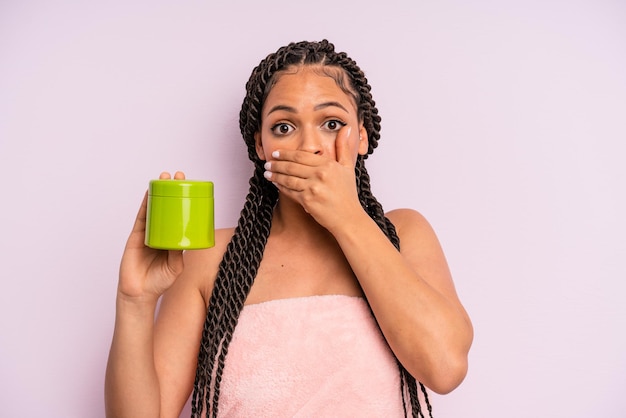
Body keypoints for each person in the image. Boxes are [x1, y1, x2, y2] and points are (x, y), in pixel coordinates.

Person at [105, 39, 473, 418]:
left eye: (331, 123)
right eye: (284, 127)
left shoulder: (404, 234)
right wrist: (134, 302)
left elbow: (445, 368)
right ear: (261, 145)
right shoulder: (209, 258)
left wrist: (346, 216)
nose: (308, 146)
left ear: (361, 136)